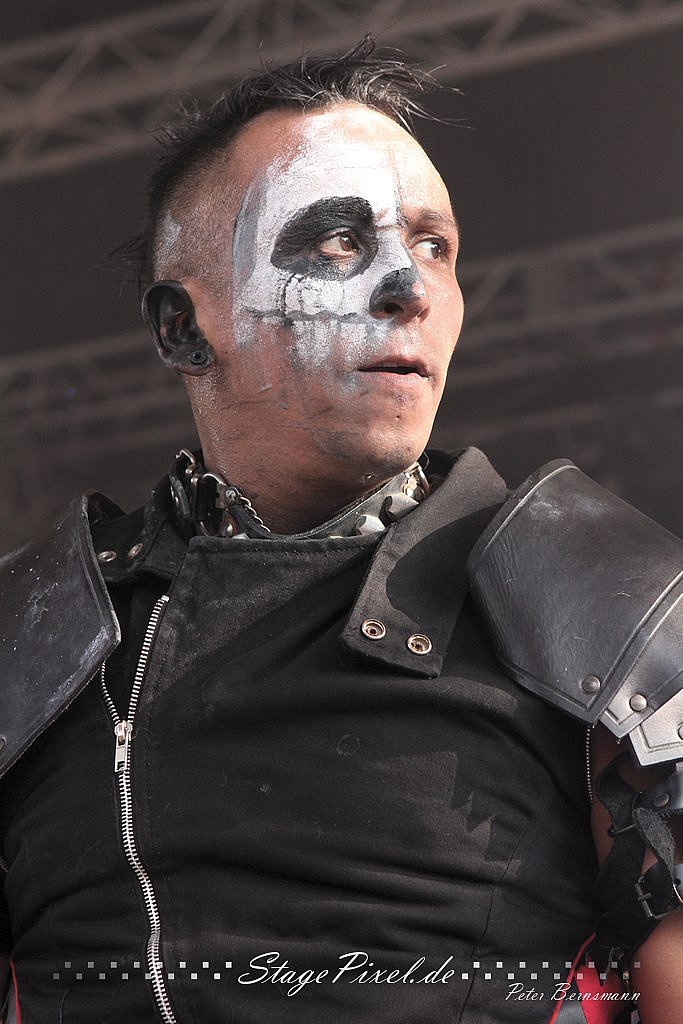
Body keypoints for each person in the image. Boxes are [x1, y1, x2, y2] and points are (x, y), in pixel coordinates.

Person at [0, 37, 680, 1024]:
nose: (411, 288)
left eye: (434, 246)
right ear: (183, 327)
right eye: (335, 241)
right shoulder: (33, 632)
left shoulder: (614, 605)